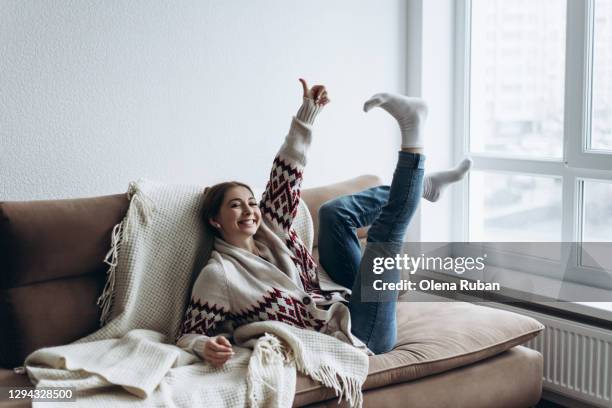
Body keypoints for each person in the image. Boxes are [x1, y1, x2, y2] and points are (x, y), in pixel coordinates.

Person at [176, 79, 471, 367]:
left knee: (334, 213)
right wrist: (205, 346)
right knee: (384, 234)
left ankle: (421, 186)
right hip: (357, 334)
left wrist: (307, 114)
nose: (250, 211)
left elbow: (285, 175)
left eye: (251, 202)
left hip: (343, 301)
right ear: (215, 220)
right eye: (235, 205)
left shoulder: (271, 231)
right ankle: (413, 133)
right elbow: (189, 334)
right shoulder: (219, 275)